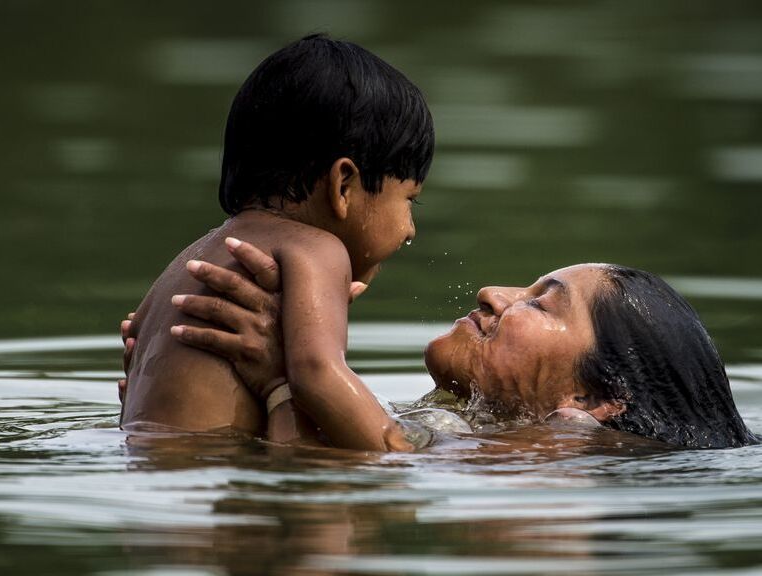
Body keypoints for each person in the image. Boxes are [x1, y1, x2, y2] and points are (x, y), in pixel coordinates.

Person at [121, 239, 758, 450]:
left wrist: (284, 377)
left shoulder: (549, 463)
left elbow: (323, 490)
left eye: (541, 302)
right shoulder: (482, 437)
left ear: (591, 399)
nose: (492, 293)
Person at [119, 34, 434, 451]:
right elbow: (317, 373)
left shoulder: (186, 262)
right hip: (216, 474)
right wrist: (396, 448)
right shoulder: (317, 250)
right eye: (410, 199)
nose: (410, 229)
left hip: (143, 468)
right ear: (343, 185)